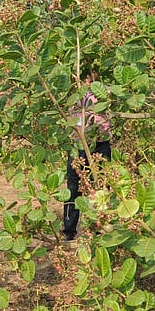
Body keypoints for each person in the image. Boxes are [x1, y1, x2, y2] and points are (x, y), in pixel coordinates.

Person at [63, 78, 112, 242]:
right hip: (79, 147)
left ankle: (100, 229)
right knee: (73, 188)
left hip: (100, 144)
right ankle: (68, 233)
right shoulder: (73, 96)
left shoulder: (105, 92)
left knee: (101, 187)